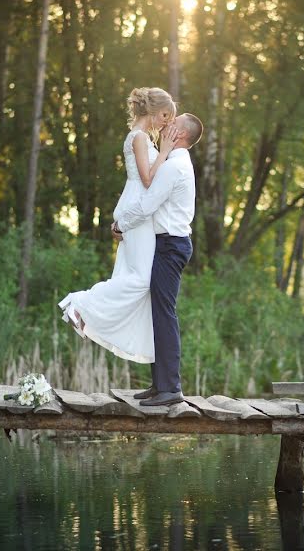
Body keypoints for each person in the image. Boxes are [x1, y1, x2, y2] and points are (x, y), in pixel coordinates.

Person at [57, 87, 176, 363]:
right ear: (154, 111)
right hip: (137, 207)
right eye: (165, 116)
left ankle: (87, 310)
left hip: (134, 206)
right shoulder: (138, 137)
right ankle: (80, 303)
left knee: (136, 277)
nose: (167, 123)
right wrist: (165, 151)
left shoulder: (140, 136)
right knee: (141, 279)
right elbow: (148, 180)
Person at [112, 112, 203, 406]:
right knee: (157, 314)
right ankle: (159, 385)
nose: (166, 125)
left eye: (172, 125)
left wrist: (120, 223)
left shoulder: (174, 167)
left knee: (164, 314)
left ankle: (170, 389)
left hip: (170, 246)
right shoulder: (175, 163)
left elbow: (148, 205)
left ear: (181, 135)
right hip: (167, 244)